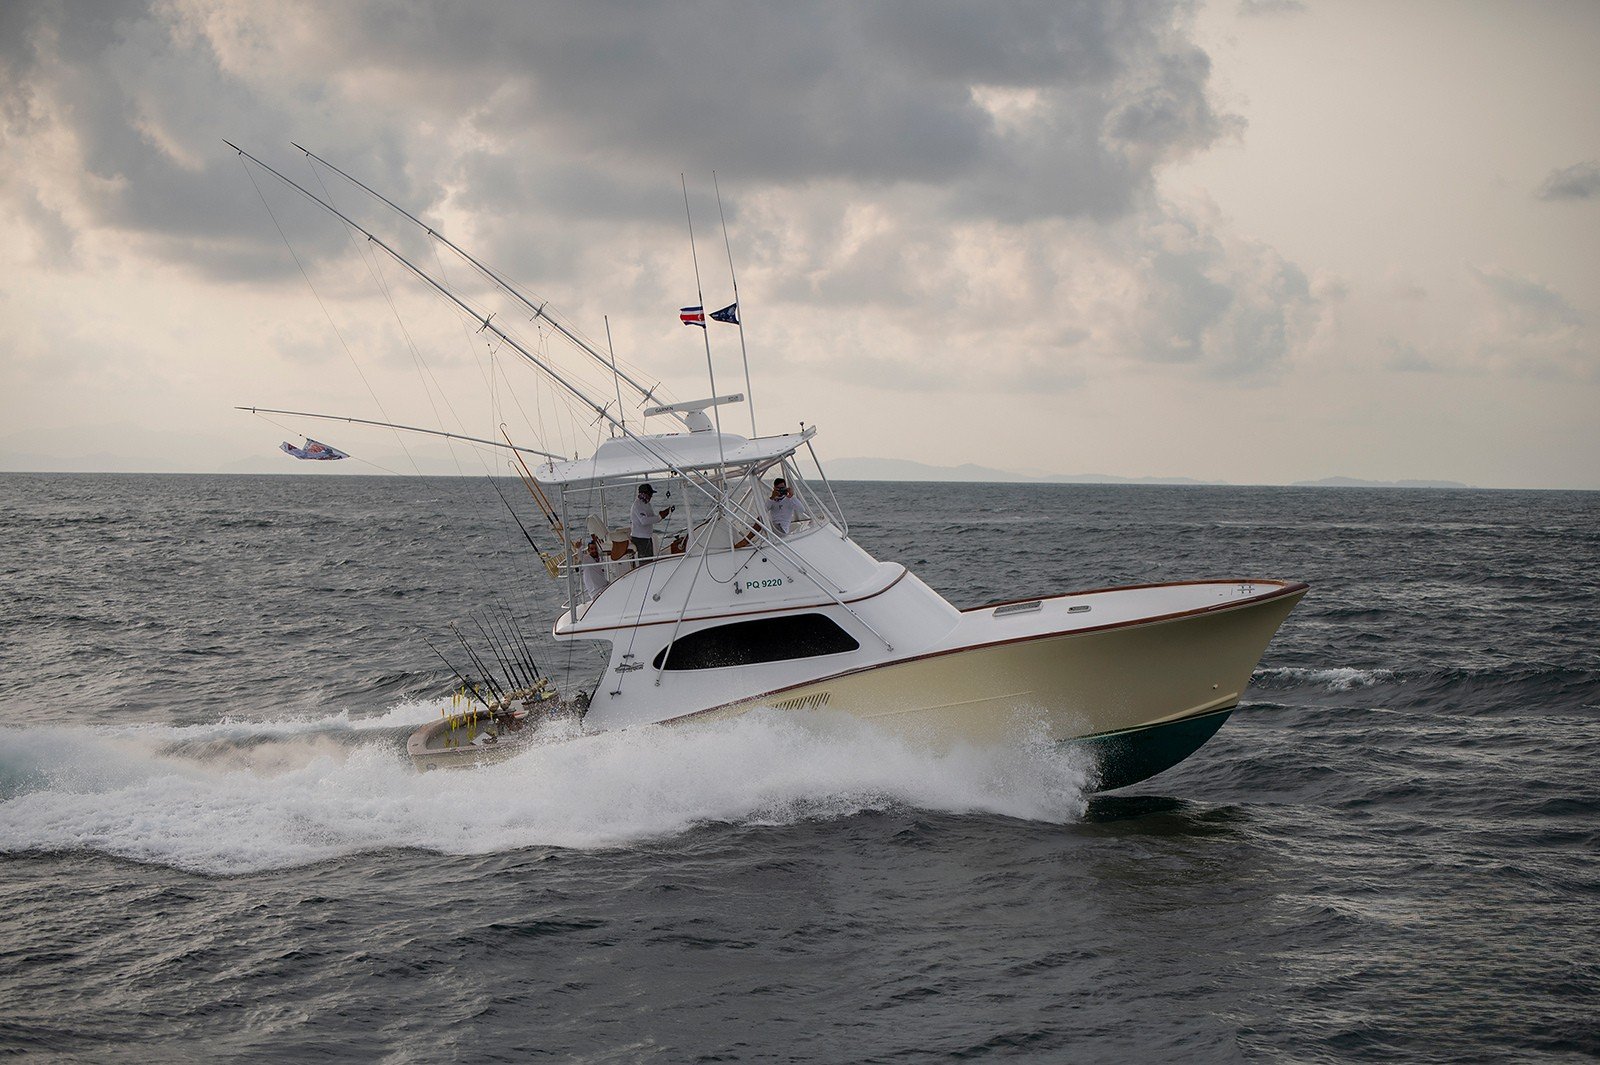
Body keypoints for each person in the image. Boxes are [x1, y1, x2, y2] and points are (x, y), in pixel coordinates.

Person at [630, 482, 674, 561]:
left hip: (647, 537)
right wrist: (659, 517)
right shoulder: (637, 505)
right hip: (640, 538)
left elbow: (653, 518)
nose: (651, 496)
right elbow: (644, 521)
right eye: (650, 494)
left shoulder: (647, 504)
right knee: (645, 562)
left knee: (649, 559)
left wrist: (663, 514)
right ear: (644, 494)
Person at [579, 534, 610, 601]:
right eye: (592, 549)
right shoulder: (586, 559)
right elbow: (580, 557)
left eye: (595, 549)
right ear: (588, 550)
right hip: (596, 592)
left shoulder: (598, 559)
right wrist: (579, 548)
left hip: (604, 586)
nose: (594, 551)